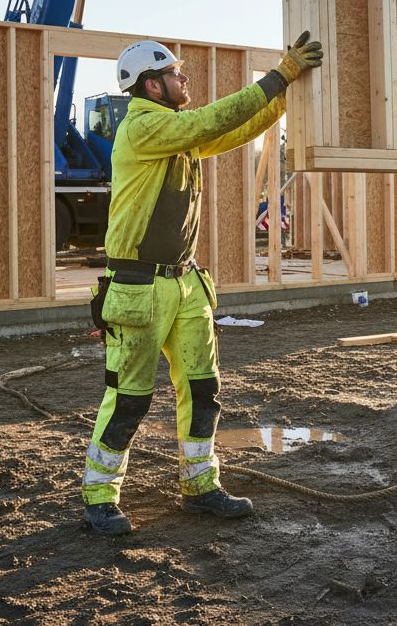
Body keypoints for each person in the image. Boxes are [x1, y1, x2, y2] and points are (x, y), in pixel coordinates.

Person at [82, 31, 323, 536]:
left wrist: (284, 100)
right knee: (129, 396)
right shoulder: (143, 128)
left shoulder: (174, 131)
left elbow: (230, 130)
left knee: (202, 387)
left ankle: (199, 486)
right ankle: (100, 495)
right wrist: (279, 75)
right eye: (174, 73)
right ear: (151, 86)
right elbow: (212, 119)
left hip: (185, 281)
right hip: (138, 288)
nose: (182, 78)